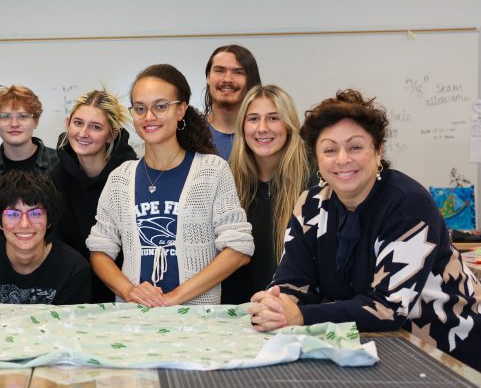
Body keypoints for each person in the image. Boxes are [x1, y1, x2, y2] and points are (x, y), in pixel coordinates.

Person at [249, 89, 481, 372]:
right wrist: (276, 305)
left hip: (458, 353)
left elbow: (389, 308)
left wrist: (300, 316)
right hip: (384, 349)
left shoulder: (407, 204)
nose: (342, 159)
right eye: (329, 149)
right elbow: (294, 281)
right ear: (317, 158)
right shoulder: (311, 205)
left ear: (378, 150)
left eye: (355, 147)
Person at [87, 64, 253, 306]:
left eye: (160, 106)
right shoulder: (120, 178)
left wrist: (175, 298)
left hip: (197, 319)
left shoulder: (211, 171)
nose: (149, 117)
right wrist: (130, 292)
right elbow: (100, 250)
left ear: (181, 110)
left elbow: (238, 249)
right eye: (140, 109)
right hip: (135, 318)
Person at [221, 85, 312, 304]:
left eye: (273, 118)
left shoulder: (314, 178)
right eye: (253, 119)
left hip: (298, 312)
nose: (262, 128)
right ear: (242, 127)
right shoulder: (226, 178)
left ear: (289, 125)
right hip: (238, 314)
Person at [50, 89, 136, 303]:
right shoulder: (55, 177)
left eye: (96, 127)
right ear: (68, 123)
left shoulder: (131, 176)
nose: (83, 133)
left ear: (112, 134)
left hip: (127, 290)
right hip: (74, 290)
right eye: (78, 123)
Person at [0, 170, 91, 305]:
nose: (24, 224)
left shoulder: (74, 269)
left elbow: (67, 325)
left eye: (35, 213)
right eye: (13, 214)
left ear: (49, 220)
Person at [0, 84, 58, 186]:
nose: (14, 124)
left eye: (23, 116)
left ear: (36, 121)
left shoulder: (60, 164)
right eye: (5, 116)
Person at [203, 45, 262, 158]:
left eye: (238, 72)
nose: (227, 79)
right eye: (220, 71)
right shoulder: (189, 135)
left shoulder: (264, 137)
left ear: (251, 80)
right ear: (208, 77)